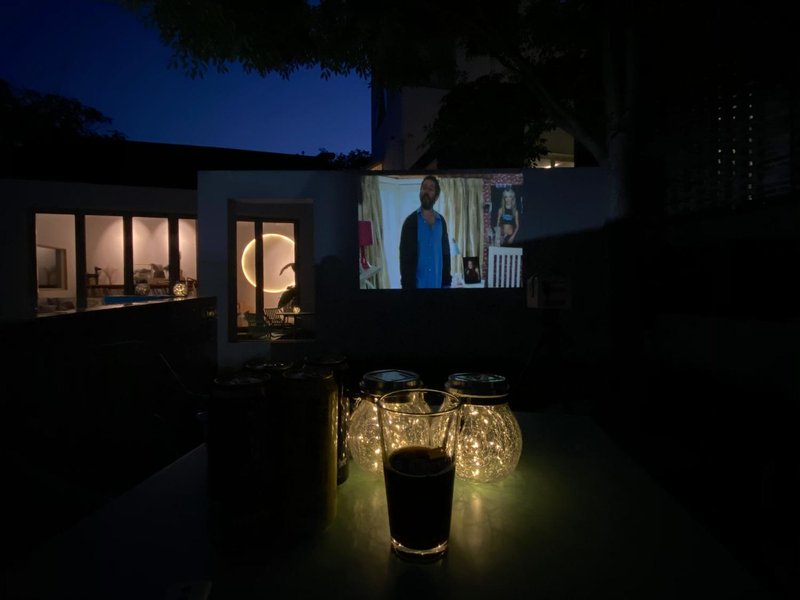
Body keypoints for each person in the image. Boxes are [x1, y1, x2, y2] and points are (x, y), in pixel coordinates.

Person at [399, 175, 452, 289]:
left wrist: (447, 283)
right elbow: (404, 259)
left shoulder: (441, 222)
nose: (426, 191)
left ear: (436, 196)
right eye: (424, 188)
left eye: (430, 189)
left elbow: (446, 254)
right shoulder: (410, 222)